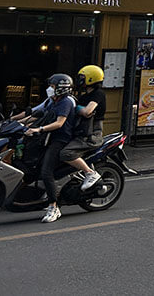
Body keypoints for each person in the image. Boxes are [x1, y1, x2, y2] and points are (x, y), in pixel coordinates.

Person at [24, 74, 77, 224]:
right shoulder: (52, 102)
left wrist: (39, 129)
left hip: (60, 140)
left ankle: (53, 206)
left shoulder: (66, 102)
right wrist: (15, 122)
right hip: (47, 138)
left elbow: (59, 123)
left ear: (61, 89)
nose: (49, 89)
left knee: (46, 171)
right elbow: (36, 114)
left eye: (52, 87)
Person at [60, 65, 106, 191]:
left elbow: (87, 111)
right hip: (80, 132)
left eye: (82, 78)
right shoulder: (83, 96)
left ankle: (90, 173)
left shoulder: (98, 94)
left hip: (91, 135)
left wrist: (76, 109)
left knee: (65, 153)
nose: (80, 80)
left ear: (91, 79)